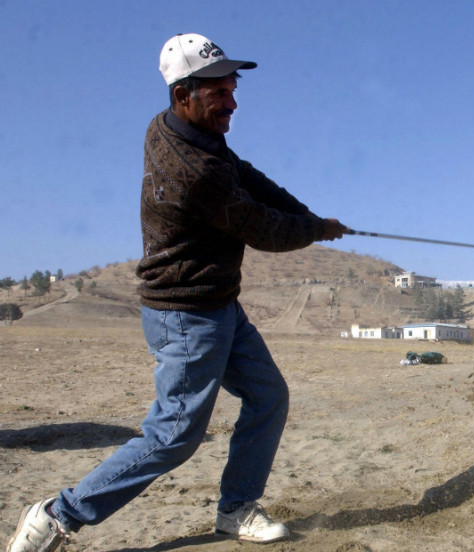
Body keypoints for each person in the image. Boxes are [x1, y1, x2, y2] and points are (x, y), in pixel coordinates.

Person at [6, 33, 347, 552]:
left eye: (233, 88)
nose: (232, 101)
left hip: (218, 305)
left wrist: (308, 214)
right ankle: (58, 515)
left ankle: (236, 508)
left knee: (267, 396)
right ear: (184, 94)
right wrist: (315, 228)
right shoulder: (194, 171)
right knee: (172, 437)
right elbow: (262, 227)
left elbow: (249, 177)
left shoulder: (179, 130)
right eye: (220, 93)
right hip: (187, 316)